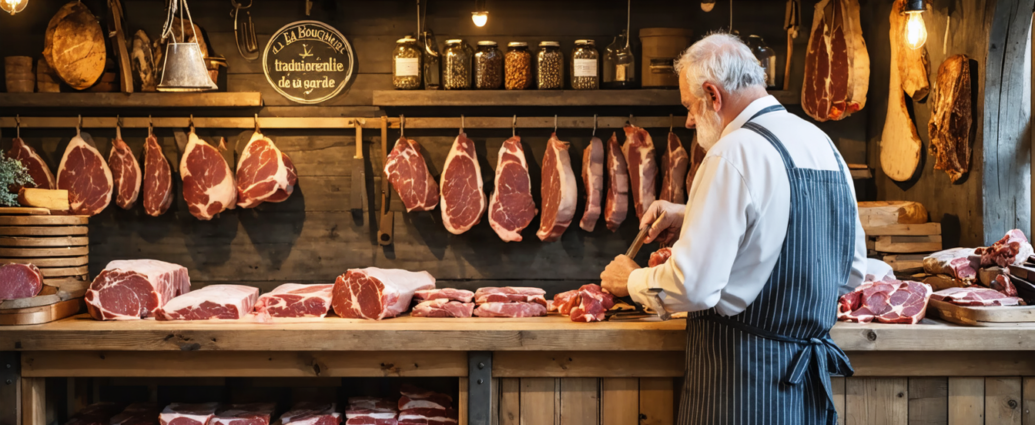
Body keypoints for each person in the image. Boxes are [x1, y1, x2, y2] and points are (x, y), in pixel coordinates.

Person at [600, 33, 867, 424]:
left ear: (712, 94)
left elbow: (693, 286)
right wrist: (693, 214)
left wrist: (633, 280)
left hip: (742, 388)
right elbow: (852, 270)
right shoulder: (822, 143)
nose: (690, 120)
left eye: (690, 106)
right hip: (805, 386)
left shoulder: (732, 151)